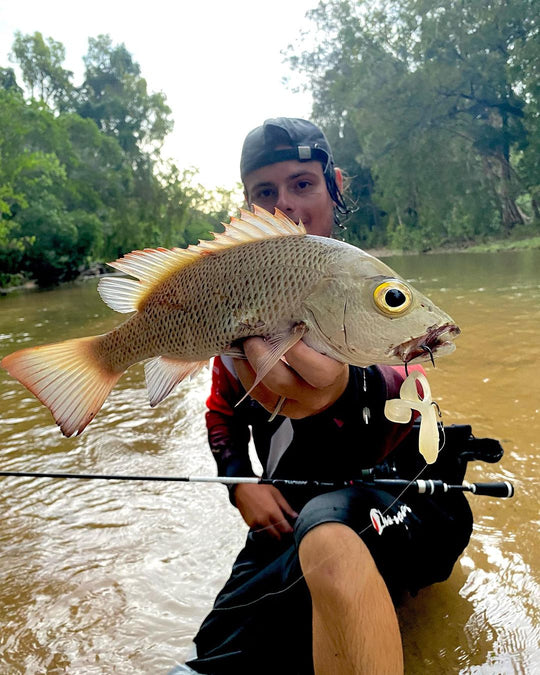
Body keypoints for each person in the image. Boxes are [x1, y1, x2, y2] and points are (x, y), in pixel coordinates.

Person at [180, 118, 473, 675]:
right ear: (248, 207)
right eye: (265, 193)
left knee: (330, 534)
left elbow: (407, 386)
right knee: (216, 649)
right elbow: (222, 415)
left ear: (335, 184)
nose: (286, 205)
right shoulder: (239, 313)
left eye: (302, 184)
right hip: (292, 508)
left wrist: (342, 389)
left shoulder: (370, 286)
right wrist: (241, 484)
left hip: (400, 493)